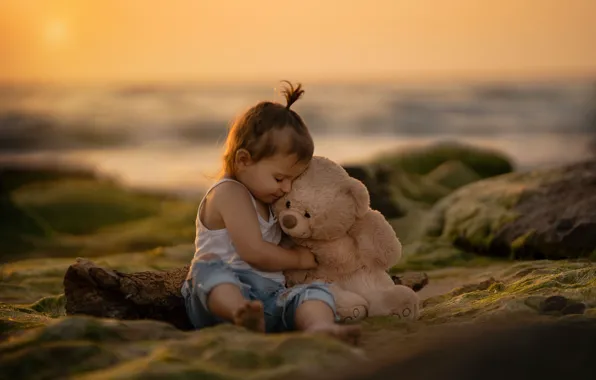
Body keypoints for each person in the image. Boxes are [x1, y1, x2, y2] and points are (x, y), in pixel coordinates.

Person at [181, 81, 361, 344]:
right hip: (220, 295)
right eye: (279, 178)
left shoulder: (272, 202)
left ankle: (319, 327)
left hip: (268, 299)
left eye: (293, 179)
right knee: (208, 268)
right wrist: (299, 260)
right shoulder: (229, 193)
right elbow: (254, 252)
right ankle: (238, 313)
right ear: (244, 160)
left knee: (314, 292)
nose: (286, 187)